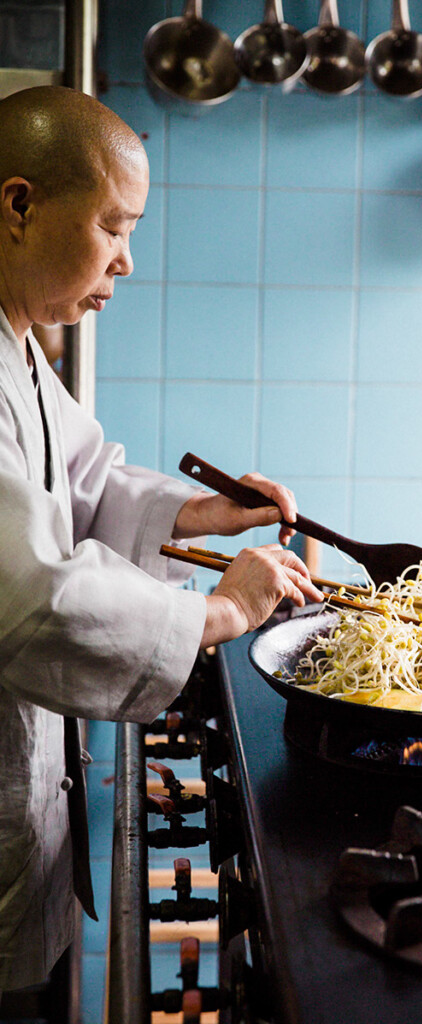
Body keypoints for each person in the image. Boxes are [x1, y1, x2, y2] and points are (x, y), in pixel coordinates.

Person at [0, 84, 323, 993]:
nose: (127, 262)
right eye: (113, 226)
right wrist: (217, 613)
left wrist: (196, 514)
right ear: (19, 204)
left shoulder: (17, 342)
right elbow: (30, 598)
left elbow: (80, 482)